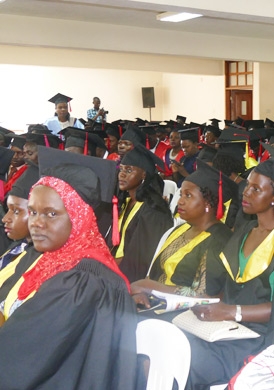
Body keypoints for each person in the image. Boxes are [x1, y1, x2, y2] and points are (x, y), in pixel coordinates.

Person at [0, 147, 137, 390]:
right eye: (32, 212)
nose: (37, 223)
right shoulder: (41, 256)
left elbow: (22, 354)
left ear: (79, 217)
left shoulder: (82, 280)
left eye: (51, 214)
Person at [186, 147, 274, 389]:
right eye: (247, 185)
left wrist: (229, 312)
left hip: (258, 337)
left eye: (256, 189)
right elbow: (229, 287)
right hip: (227, 327)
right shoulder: (245, 231)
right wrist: (207, 304)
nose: (246, 192)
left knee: (192, 361)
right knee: (175, 343)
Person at [129, 160, 236, 301]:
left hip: (186, 313)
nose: (180, 201)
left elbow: (204, 295)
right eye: (181, 195)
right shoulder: (181, 229)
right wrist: (143, 293)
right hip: (154, 302)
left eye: (188, 195)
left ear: (208, 203)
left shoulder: (220, 241)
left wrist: (149, 286)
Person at [111, 145, 173, 282]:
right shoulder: (125, 202)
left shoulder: (153, 211)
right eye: (121, 169)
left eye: (129, 170)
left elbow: (139, 259)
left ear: (144, 175)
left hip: (133, 278)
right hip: (114, 267)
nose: (121, 174)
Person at [0, 165, 39, 272]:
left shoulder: (38, 263)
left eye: (16, 211)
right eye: (8, 209)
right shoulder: (17, 246)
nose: (5, 219)